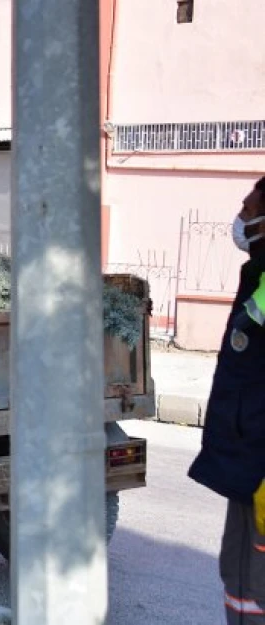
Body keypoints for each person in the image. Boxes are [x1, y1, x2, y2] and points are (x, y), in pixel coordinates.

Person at [188, 176, 265, 624]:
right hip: (248, 467)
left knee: (254, 582)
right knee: (237, 575)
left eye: (249, 212)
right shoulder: (257, 276)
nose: (240, 220)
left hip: (258, 466)